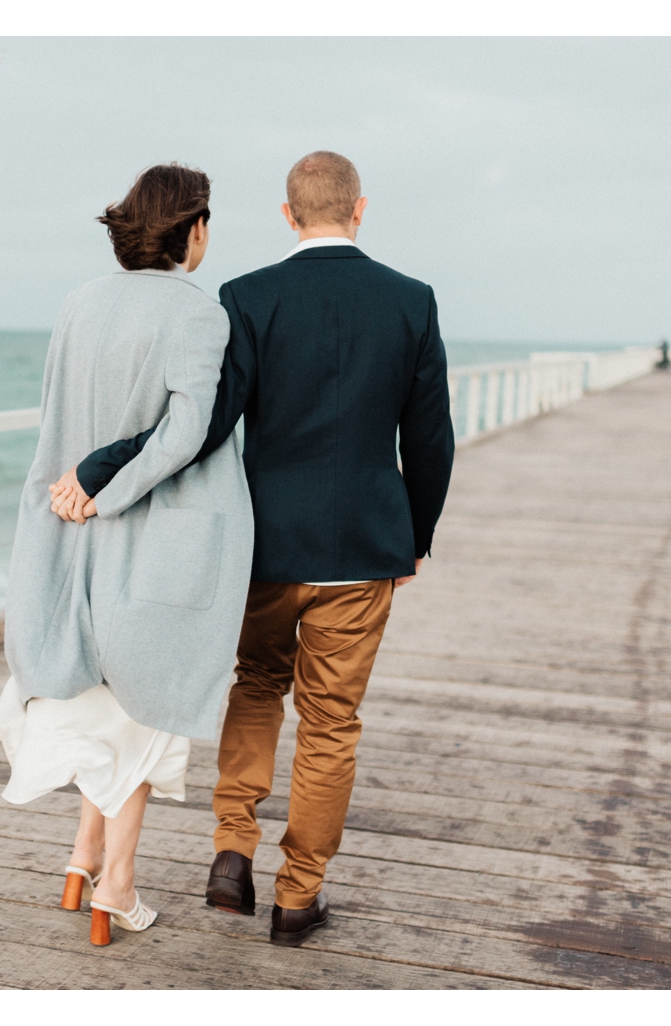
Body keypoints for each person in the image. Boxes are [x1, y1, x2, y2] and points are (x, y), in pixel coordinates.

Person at [50, 151, 454, 947]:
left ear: (288, 214)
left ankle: (232, 853)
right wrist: (414, 538)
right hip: (364, 549)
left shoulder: (250, 297)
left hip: (264, 547)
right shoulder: (412, 302)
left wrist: (100, 465)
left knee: (257, 688)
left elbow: (200, 427)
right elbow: (431, 438)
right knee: (332, 722)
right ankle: (298, 898)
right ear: (359, 210)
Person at [0, 163, 254, 947]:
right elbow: (186, 435)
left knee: (103, 712)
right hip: (151, 538)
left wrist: (75, 496)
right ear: (194, 228)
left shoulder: (78, 303)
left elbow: (54, 423)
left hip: (66, 535)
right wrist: (111, 492)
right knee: (144, 720)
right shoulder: (200, 315)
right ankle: (117, 886)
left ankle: (80, 859)